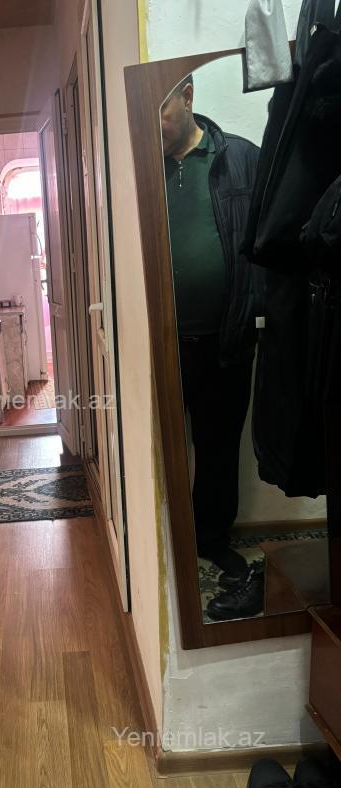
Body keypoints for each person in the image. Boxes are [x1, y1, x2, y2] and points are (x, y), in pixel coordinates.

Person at [161, 74, 262, 599]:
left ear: (188, 96)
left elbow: (271, 237)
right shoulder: (140, 167)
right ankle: (164, 541)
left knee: (219, 447)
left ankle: (212, 538)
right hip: (161, 344)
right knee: (161, 448)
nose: (154, 125)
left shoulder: (239, 159)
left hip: (226, 337)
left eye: (162, 110)